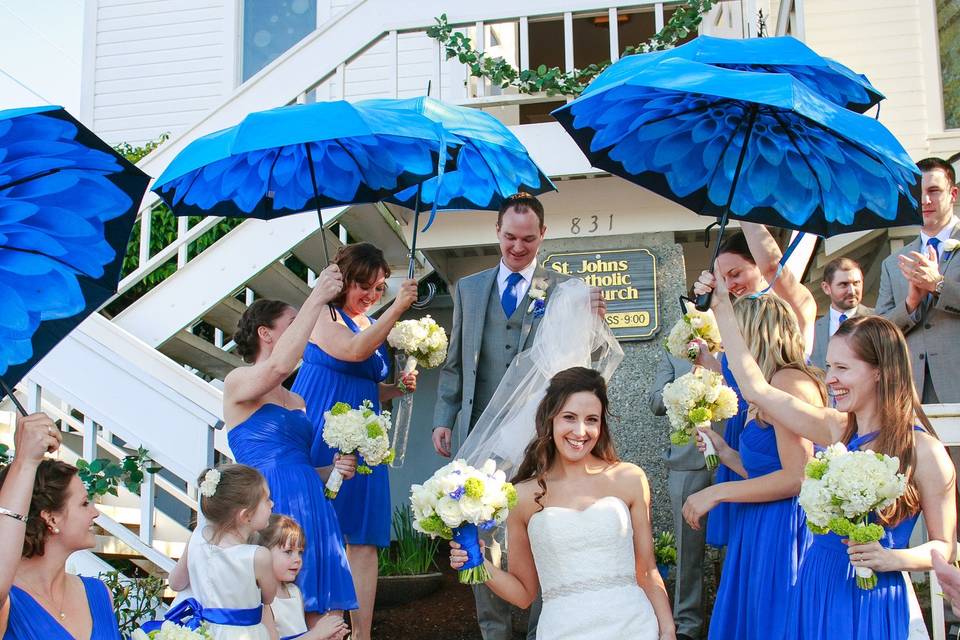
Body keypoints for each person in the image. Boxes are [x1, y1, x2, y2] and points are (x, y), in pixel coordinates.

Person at [697, 268, 957, 639]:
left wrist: (891, 558)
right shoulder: (836, 428)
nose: (830, 378)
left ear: (881, 372)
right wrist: (722, 305)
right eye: (830, 365)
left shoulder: (924, 450)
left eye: (843, 368)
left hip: (873, 596)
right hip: (816, 580)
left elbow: (943, 547)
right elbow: (755, 389)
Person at [432, 192, 605, 640]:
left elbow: (589, 366)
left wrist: (597, 325)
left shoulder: (566, 289)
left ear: (542, 236)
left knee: (543, 532)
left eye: (527, 239)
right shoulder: (468, 289)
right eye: (509, 237)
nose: (517, 247)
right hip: (479, 437)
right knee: (481, 531)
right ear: (497, 232)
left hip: (539, 440)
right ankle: (494, 632)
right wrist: (443, 417)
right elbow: (455, 363)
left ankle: (544, 630)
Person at [450, 367, 674, 640]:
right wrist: (478, 565)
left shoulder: (628, 478)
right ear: (550, 418)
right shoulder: (522, 496)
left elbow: (647, 571)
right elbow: (524, 595)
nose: (581, 431)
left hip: (634, 627)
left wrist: (668, 630)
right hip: (563, 630)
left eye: (592, 419)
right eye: (569, 417)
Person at [291, 242, 419, 640]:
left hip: (365, 437)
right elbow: (350, 352)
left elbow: (364, 383)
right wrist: (397, 308)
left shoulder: (367, 322)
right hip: (323, 430)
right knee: (316, 533)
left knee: (364, 540)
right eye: (364, 285)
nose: (372, 295)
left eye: (380, 288)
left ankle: (361, 634)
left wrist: (395, 388)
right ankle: (314, 627)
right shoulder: (322, 315)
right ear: (343, 280)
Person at [224, 263, 358, 628]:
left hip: (312, 501)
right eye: (293, 323)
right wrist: (317, 296)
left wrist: (333, 470)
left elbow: (299, 464)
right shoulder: (239, 381)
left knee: (325, 611)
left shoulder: (297, 400)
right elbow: (280, 365)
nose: (305, 328)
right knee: (280, 606)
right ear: (266, 334)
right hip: (270, 504)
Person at [682, 294, 823, 640]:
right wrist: (726, 452)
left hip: (784, 527)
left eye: (734, 337)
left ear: (755, 336)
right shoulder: (764, 389)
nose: (728, 350)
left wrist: (718, 492)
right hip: (758, 524)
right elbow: (763, 471)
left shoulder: (790, 383)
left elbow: (796, 477)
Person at [699, 223, 816, 549]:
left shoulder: (793, 308)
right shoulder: (738, 322)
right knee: (745, 539)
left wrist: (746, 209)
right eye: (724, 279)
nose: (731, 285)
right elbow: (738, 385)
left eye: (736, 273)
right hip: (744, 434)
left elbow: (772, 266)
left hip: (780, 438)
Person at [0, 412, 122, 640]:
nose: (95, 512)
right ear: (51, 518)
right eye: (84, 503)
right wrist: (25, 462)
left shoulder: (100, 594)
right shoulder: (7, 603)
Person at [876, 157, 960, 404]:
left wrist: (938, 285)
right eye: (917, 193)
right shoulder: (893, 263)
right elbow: (880, 331)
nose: (924, 201)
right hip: (911, 393)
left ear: (953, 193)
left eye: (933, 191)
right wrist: (910, 303)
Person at [168, 464, 279, 640]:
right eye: (266, 500)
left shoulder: (197, 536)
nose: (272, 504)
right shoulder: (258, 556)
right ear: (246, 515)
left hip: (200, 632)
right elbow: (269, 597)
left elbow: (175, 583)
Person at [648, 350, 711, 640]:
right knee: (688, 550)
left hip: (737, 457)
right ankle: (687, 626)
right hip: (688, 462)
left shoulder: (737, 333)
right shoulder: (674, 348)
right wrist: (688, 385)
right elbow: (655, 402)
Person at [257, 515, 349, 640]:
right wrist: (317, 634)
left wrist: (326, 635)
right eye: (288, 552)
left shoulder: (295, 592)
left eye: (300, 552)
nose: (297, 559)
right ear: (263, 553)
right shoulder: (262, 600)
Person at [811, 257, 872, 371]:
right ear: (826, 288)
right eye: (844, 285)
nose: (852, 291)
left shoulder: (877, 320)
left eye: (856, 283)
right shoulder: (812, 330)